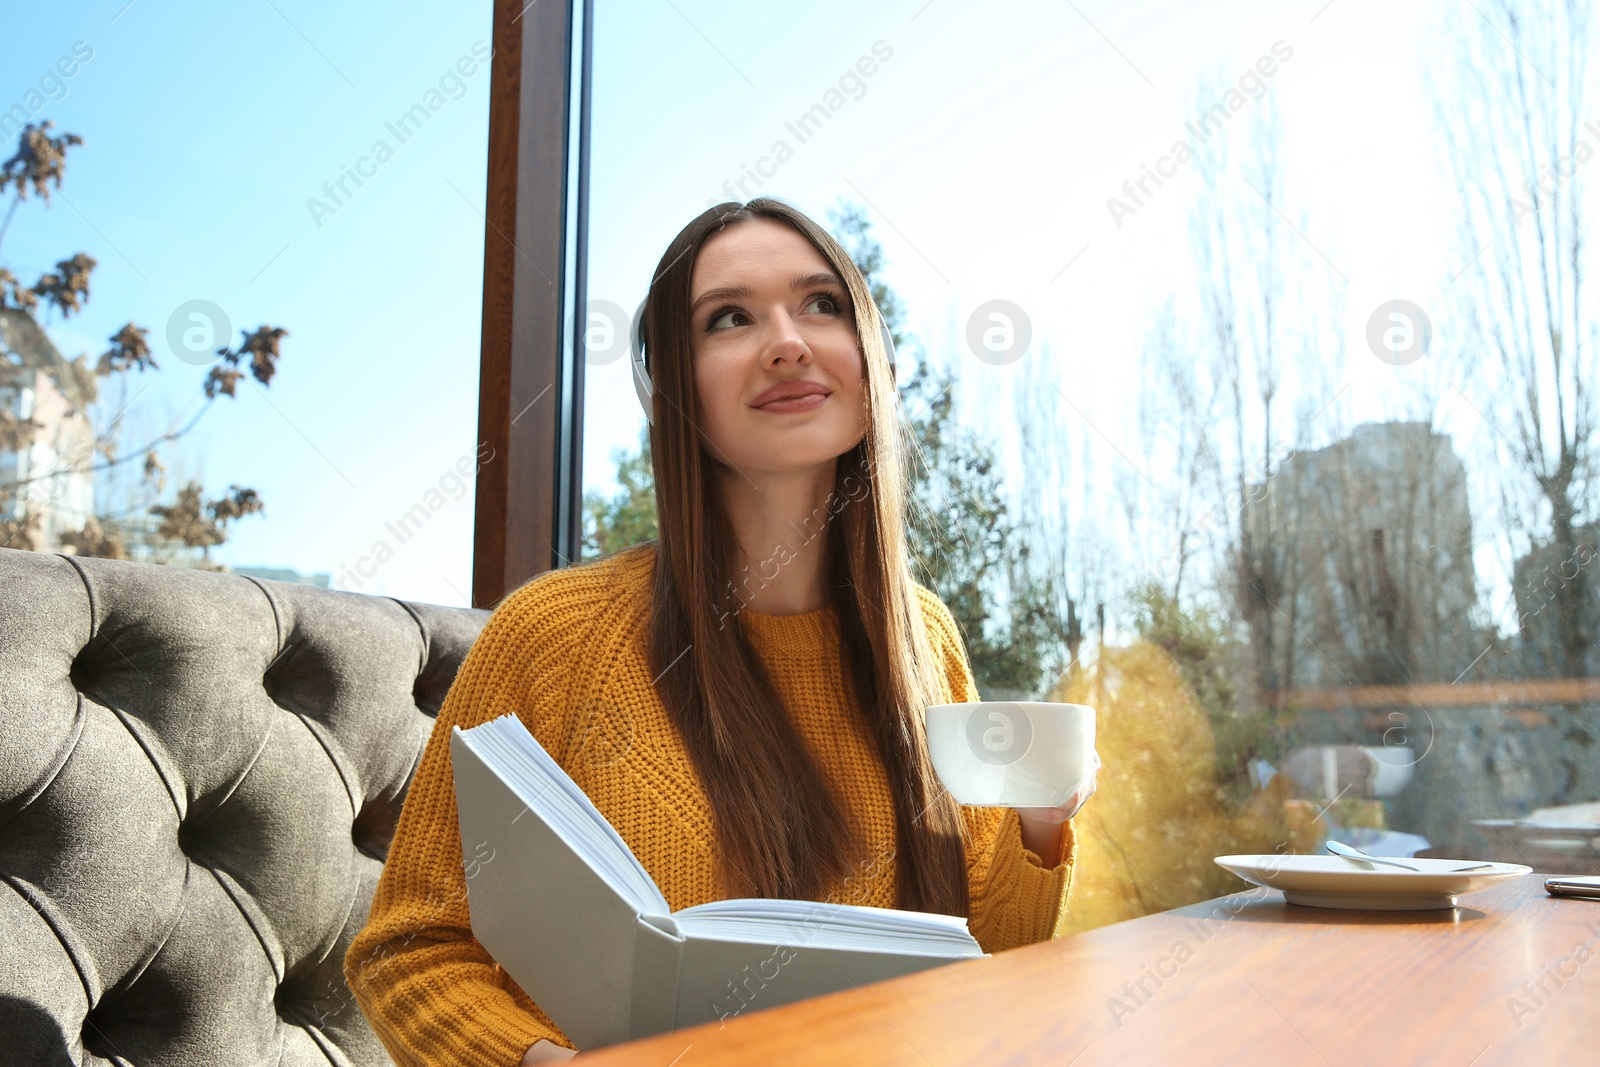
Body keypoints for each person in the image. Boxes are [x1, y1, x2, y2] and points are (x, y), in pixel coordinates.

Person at [344, 198, 1098, 1065]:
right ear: (673, 390)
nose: (787, 341)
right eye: (730, 318)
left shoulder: (925, 639)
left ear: (871, 364)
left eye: (822, 304)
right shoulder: (552, 634)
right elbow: (407, 952)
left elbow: (989, 959)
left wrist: (1043, 825)